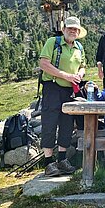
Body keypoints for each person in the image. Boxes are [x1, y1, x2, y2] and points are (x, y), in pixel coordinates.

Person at [39, 16, 87, 177]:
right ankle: (48, 163)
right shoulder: (53, 42)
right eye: (70, 28)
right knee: (49, 122)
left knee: (67, 123)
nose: (72, 31)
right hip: (52, 87)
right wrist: (66, 75)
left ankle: (62, 159)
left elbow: (82, 66)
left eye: (75, 29)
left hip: (69, 91)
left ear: (79, 32)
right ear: (64, 29)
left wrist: (79, 75)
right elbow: (44, 64)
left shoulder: (79, 47)